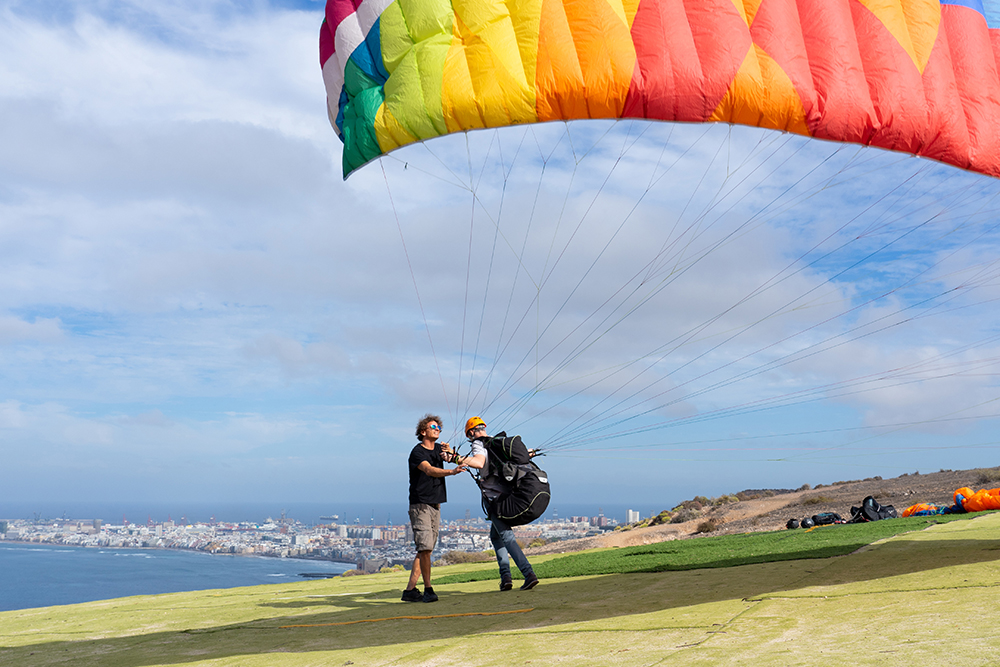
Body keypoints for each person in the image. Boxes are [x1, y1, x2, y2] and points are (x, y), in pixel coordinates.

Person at [452, 416, 539, 591]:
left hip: (496, 500)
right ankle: (505, 577)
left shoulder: (479, 444)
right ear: (483, 427)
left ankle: (528, 574)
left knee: (507, 537)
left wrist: (456, 458)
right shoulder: (497, 443)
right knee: (495, 536)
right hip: (510, 495)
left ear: (470, 434)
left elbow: (479, 462)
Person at [402, 414, 465, 603]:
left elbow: (459, 460)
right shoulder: (417, 452)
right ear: (423, 431)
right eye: (433, 427)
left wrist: (452, 454)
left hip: (435, 505)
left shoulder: (439, 449)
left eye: (439, 427)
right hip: (420, 505)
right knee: (426, 548)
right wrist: (452, 472)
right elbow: (429, 470)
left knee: (425, 550)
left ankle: (410, 591)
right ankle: (428, 589)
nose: (437, 429)